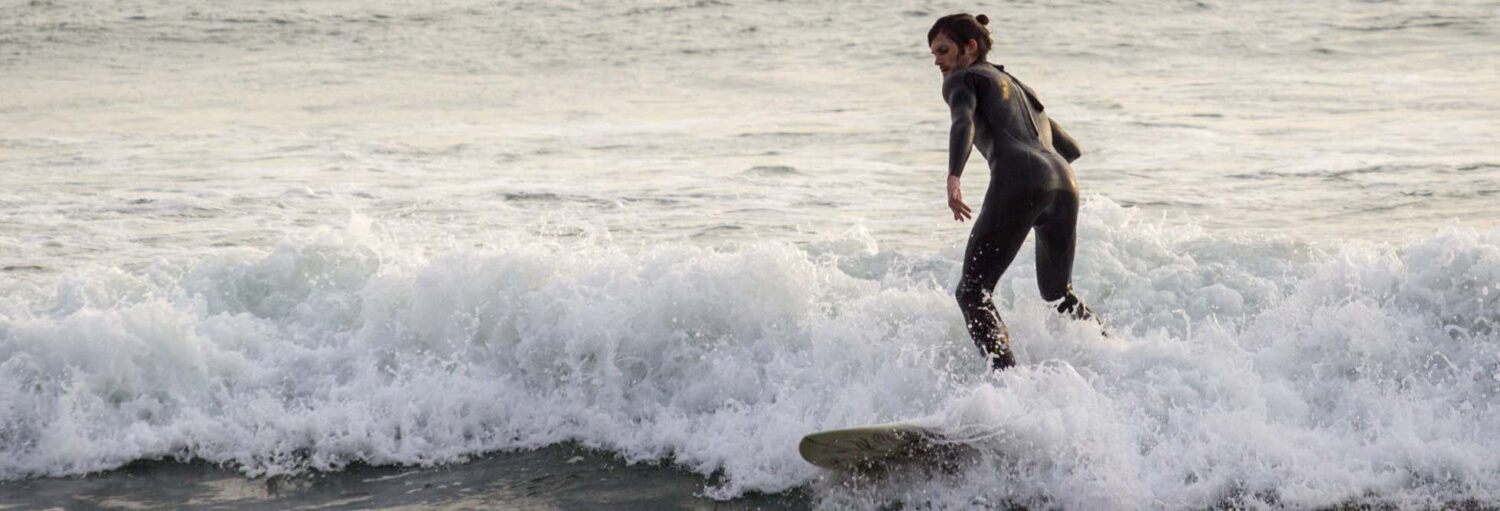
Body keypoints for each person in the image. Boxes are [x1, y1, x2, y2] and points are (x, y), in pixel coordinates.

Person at [928, 13, 1100, 371]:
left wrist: (954, 175)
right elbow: (1071, 149)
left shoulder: (963, 79)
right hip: (1065, 183)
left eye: (943, 51)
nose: (937, 61)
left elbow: (963, 122)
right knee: (1058, 294)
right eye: (933, 54)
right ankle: (1112, 351)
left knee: (972, 292)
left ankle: (1009, 384)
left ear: (969, 47)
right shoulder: (1018, 87)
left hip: (1021, 176)